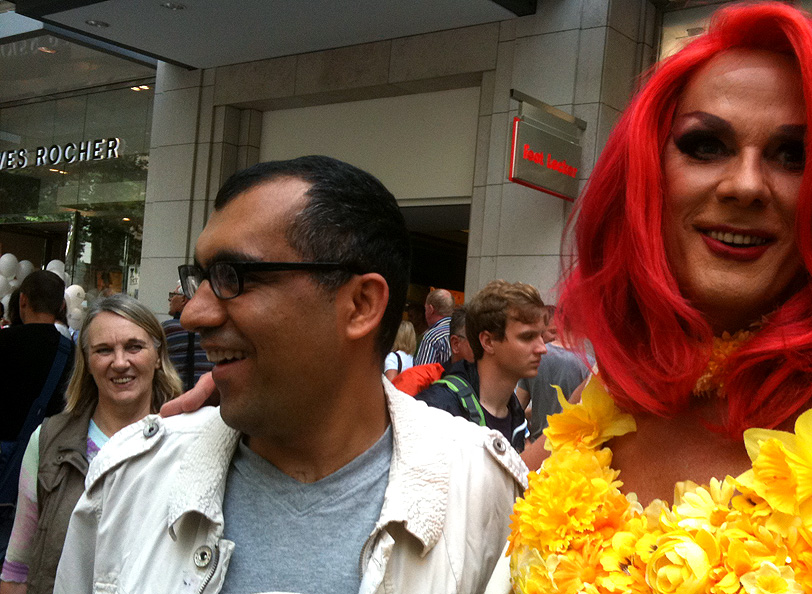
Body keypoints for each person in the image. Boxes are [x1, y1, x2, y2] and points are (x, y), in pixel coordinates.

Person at [505, 4, 812, 594]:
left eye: (795, 156)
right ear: (647, 177)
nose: (745, 184)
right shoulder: (607, 395)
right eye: (705, 145)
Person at [54, 156, 526, 594]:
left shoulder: (489, 496)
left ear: (360, 305)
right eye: (201, 278)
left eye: (233, 275)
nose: (193, 313)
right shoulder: (130, 477)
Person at [0, 294, 181, 594]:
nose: (120, 362)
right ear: (87, 362)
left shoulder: (184, 441)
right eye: (104, 350)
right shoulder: (48, 441)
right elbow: (18, 567)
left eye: (134, 346)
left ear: (158, 356)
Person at [416, 280, 547, 453]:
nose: (542, 348)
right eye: (527, 337)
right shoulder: (438, 408)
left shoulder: (513, 408)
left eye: (542, 336)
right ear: (488, 341)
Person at [0, 273, 72, 558]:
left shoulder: (4, 341)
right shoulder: (72, 353)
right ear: (62, 308)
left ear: (23, 302)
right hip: (45, 457)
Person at [515, 307, 592, 442]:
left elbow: (517, 408)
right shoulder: (589, 366)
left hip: (535, 446)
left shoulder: (534, 358)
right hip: (568, 453)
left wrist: (525, 442)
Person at [392, 306, 474, 395]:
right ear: (455, 344)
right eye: (476, 341)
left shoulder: (486, 384)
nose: (485, 348)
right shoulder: (417, 380)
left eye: (490, 340)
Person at [161, 282, 213, 390]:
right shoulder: (210, 329)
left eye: (172, 295)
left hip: (175, 394)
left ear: (183, 299)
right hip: (206, 395)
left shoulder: (167, 329)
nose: (170, 300)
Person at [414, 288, 454, 366]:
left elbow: (422, 373)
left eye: (425, 309)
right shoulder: (464, 332)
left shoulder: (432, 337)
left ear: (431, 309)